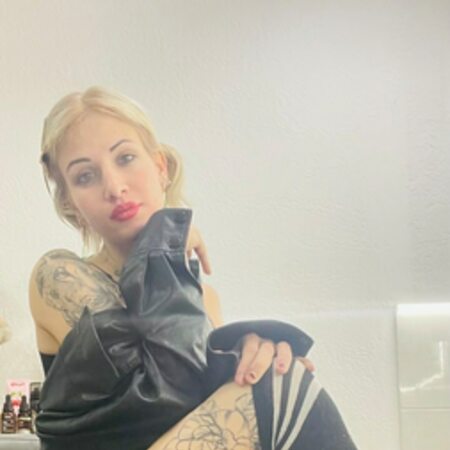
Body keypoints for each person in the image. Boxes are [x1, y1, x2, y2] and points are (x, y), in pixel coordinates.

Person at [29, 86, 357, 449]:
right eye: (85, 176)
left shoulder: (203, 298)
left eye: (125, 158)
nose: (115, 187)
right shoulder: (59, 276)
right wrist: (164, 244)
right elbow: (166, 398)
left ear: (160, 168)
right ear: (71, 204)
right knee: (283, 388)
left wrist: (250, 356)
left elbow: (202, 412)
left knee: (281, 377)